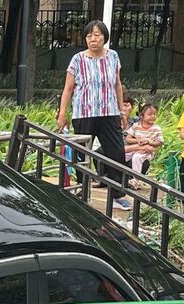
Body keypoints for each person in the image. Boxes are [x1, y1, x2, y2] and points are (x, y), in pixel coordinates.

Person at [56, 20, 130, 211]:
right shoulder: (77, 59)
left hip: (109, 112)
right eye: (89, 36)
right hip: (84, 113)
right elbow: (68, 88)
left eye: (97, 35)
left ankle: (117, 194)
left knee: (116, 152)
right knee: (82, 154)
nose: (93, 39)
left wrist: (122, 111)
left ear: (104, 36)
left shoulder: (113, 56)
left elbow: (117, 85)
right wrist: (62, 113)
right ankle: (82, 190)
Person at [125, 103, 162, 175]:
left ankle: (136, 179)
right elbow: (128, 139)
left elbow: (160, 142)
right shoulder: (136, 126)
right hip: (135, 149)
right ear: (142, 115)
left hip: (146, 151)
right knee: (120, 155)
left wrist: (149, 142)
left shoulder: (156, 128)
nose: (153, 116)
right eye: (150, 114)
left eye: (154, 114)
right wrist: (137, 140)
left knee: (137, 157)